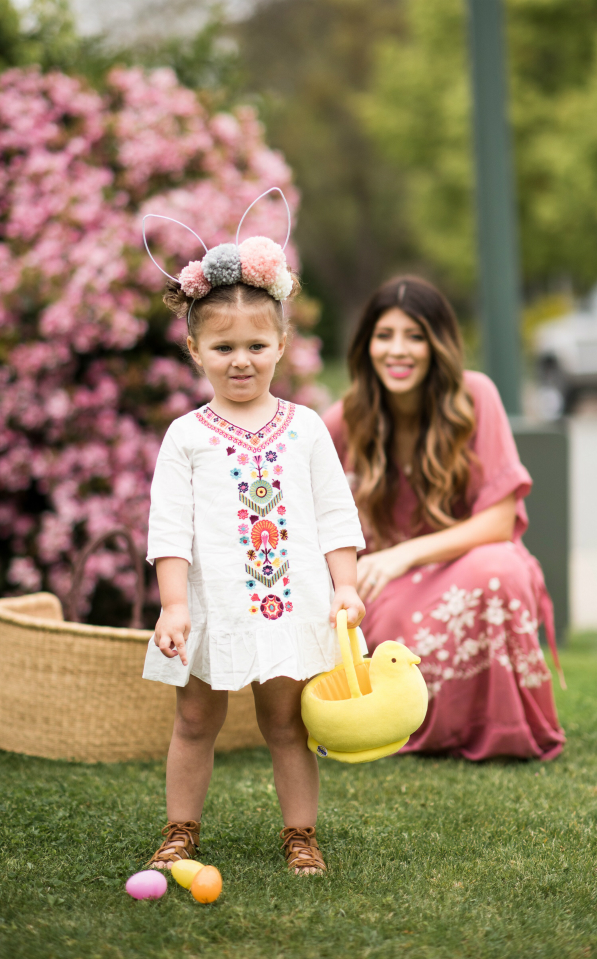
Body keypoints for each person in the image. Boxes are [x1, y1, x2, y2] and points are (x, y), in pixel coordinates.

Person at [141, 214, 365, 876]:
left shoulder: (305, 430)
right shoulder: (187, 435)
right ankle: (181, 828)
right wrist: (174, 604)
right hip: (212, 607)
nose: (241, 359)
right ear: (194, 351)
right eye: (223, 347)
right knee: (194, 720)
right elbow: (169, 525)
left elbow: (334, 512)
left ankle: (301, 833)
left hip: (292, 604)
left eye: (256, 346)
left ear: (282, 344)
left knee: (288, 724)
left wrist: (345, 584)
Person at [324, 276, 565, 762]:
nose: (399, 350)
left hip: (463, 565)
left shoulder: (475, 397)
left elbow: (500, 522)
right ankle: (402, 726)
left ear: (438, 344)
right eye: (385, 335)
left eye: (414, 335)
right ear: (366, 344)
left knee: (500, 569)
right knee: (381, 623)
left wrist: (403, 554)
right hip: (385, 587)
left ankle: (498, 728)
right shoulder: (342, 420)